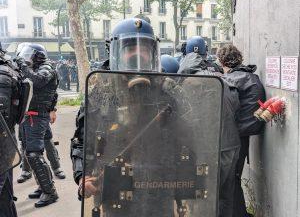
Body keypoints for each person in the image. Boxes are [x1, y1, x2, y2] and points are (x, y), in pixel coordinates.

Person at [72, 18, 224, 217]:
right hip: (115, 187)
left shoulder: (170, 90)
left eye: (143, 48)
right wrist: (82, 175)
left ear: (153, 51)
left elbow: (192, 137)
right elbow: (82, 140)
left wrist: (192, 177)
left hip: (160, 187)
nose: (137, 54)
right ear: (116, 51)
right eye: (130, 49)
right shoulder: (99, 92)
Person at [179, 36, 242, 217]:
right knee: (226, 195)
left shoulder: (188, 81)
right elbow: (235, 107)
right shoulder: (221, 76)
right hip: (232, 145)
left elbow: (187, 119)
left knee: (205, 195)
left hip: (209, 148)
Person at [217, 45, 266, 217]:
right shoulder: (252, 77)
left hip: (229, 138)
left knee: (227, 181)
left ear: (221, 61)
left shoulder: (229, 80)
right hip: (244, 136)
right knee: (234, 177)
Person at [16, 43, 59, 208]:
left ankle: (50, 192)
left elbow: (38, 81)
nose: (26, 58)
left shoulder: (46, 68)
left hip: (37, 115)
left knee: (34, 154)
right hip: (29, 115)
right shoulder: (37, 68)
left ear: (38, 56)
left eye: (29, 55)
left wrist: (21, 64)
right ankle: (43, 186)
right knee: (30, 153)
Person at [0, 42, 32, 217]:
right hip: (6, 139)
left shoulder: (3, 73)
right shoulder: (8, 68)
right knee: (5, 195)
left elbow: (1, 116)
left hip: (2, 142)